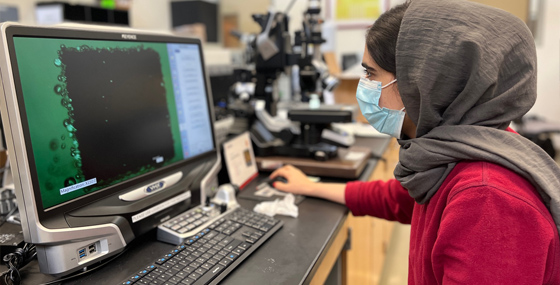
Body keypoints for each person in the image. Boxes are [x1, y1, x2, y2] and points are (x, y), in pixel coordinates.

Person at [271, 0, 560, 283]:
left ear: (417, 82)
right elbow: (397, 199)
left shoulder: (488, 200)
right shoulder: (459, 149)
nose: (365, 86)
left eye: (370, 74)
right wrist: (311, 187)